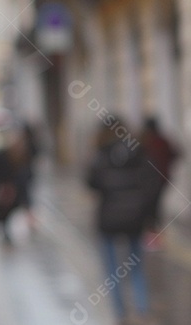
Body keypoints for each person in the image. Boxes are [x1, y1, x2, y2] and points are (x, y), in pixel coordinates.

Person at [87, 117, 156, 325]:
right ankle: (142, 310)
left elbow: (91, 182)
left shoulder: (100, 154)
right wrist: (149, 215)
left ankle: (121, 313)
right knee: (136, 264)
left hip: (109, 218)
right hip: (134, 217)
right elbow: (150, 183)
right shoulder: (138, 151)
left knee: (112, 269)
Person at [141, 115, 180, 248]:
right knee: (156, 207)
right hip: (162, 179)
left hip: (149, 181)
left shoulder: (145, 141)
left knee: (151, 208)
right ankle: (155, 236)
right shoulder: (163, 141)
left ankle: (152, 236)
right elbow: (176, 154)